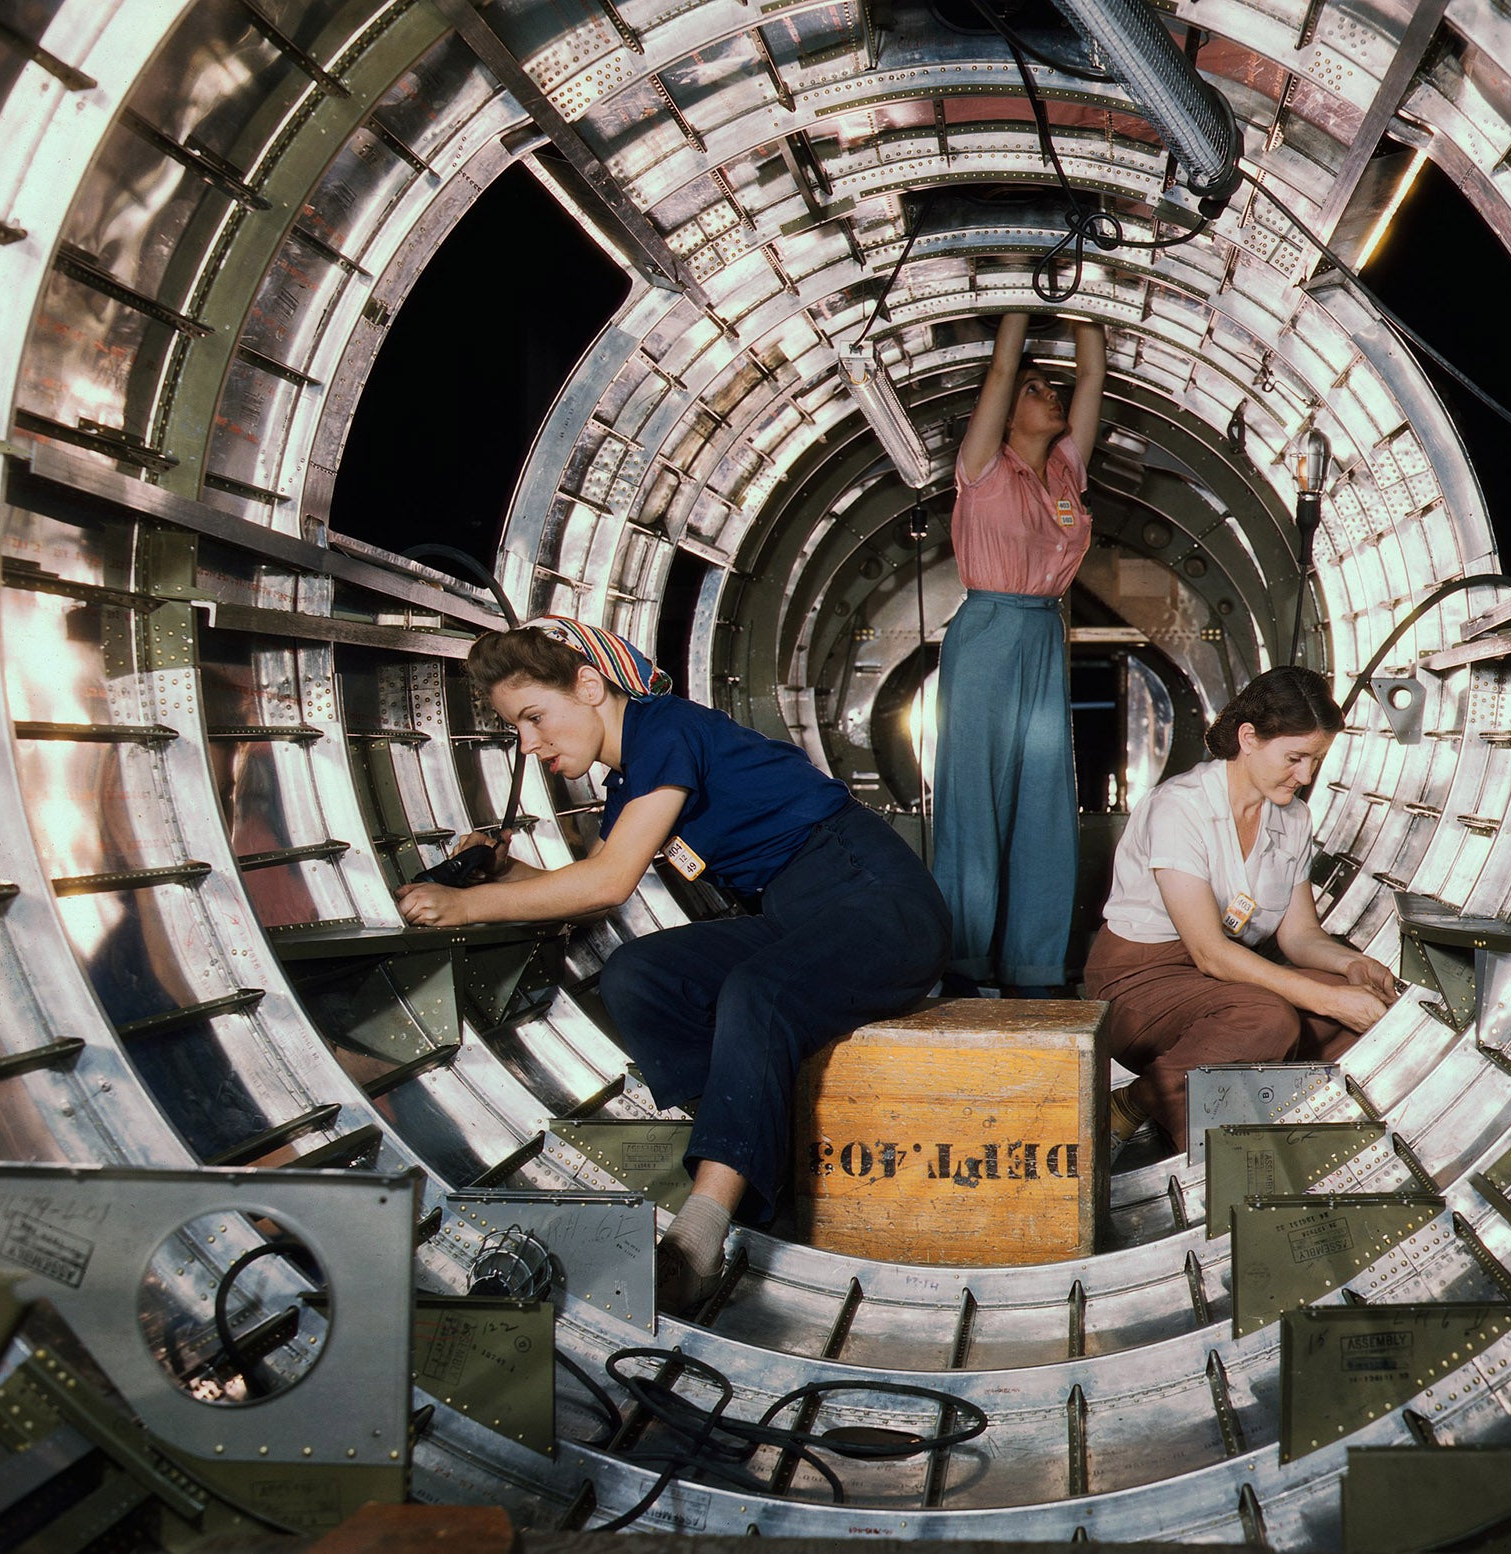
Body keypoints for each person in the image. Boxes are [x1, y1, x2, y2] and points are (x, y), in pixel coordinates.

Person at [395, 616, 950, 1314]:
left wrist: (462, 909)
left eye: (534, 718)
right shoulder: (633, 784)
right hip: (795, 915)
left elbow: (605, 883)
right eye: (518, 731)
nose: (530, 746)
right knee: (640, 975)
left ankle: (699, 1236)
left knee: (758, 991)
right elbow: (592, 890)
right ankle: (743, 1155)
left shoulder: (664, 729)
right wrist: (502, 877)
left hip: (879, 904)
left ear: (591, 685)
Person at [1082, 667, 1397, 1155]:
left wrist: (1351, 966)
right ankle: (1144, 1106)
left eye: (1316, 760)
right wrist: (1325, 1000)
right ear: (1248, 738)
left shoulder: (1293, 817)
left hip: (1221, 983)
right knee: (1269, 1017)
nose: (1306, 776)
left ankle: (1282, 1133)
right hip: (1139, 981)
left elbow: (1299, 937)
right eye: (1294, 758)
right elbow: (1210, 953)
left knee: (1347, 999)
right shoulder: (1179, 807)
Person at [932, 312, 1107, 995]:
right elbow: (1002, 370)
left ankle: (1034, 967)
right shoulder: (982, 466)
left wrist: (1088, 297)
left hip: (1042, 632)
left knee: (1044, 801)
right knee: (973, 801)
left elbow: (1092, 372)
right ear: (1005, 415)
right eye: (1036, 390)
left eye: (1049, 389)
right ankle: (964, 964)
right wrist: (1018, 304)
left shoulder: (1065, 471)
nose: (1050, 395)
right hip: (988, 631)